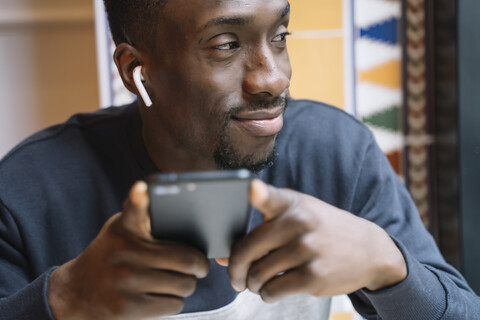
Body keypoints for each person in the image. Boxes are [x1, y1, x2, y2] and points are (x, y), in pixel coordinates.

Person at [0, 0, 478, 319]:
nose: (273, 78)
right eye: (226, 45)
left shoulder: (335, 153)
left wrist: (386, 265)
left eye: (280, 36)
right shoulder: (27, 194)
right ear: (135, 71)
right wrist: (64, 298)